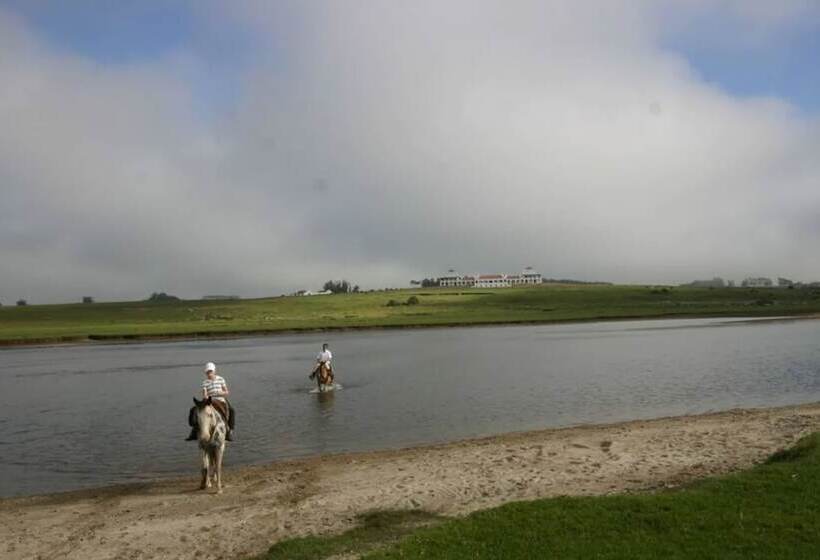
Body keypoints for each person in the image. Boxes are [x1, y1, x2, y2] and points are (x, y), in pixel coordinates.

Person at [186, 362, 235, 441]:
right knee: (194, 409)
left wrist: (220, 393)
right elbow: (204, 393)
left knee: (232, 410)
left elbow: (226, 392)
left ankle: (229, 431)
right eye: (208, 372)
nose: (209, 374)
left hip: (220, 399)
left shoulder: (221, 379)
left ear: (214, 371)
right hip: (209, 400)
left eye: (210, 371)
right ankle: (194, 431)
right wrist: (206, 396)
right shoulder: (205, 382)